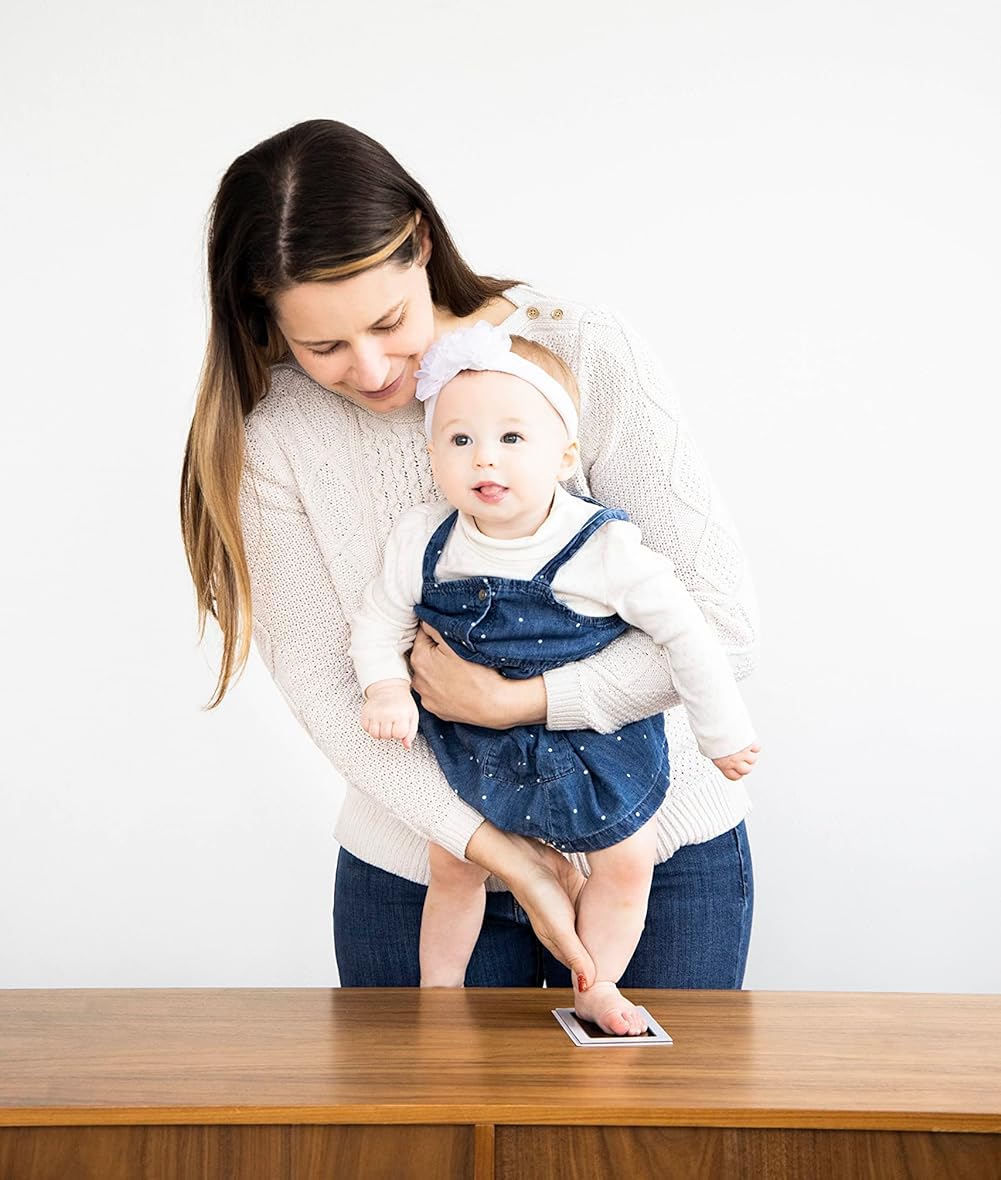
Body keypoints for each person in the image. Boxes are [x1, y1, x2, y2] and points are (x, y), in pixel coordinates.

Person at [180, 118, 759, 993]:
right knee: (432, 1135)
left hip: (657, 850)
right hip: (419, 863)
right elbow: (322, 682)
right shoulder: (279, 438)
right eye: (323, 345)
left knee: (644, 1134)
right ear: (265, 317)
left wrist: (514, 702)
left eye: (388, 321)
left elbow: (718, 626)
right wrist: (495, 852)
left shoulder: (579, 352)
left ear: (420, 243)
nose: (374, 370)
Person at [352, 323, 759, 1033]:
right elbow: (379, 621)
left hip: (591, 749)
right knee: (451, 862)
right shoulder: (424, 537)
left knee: (627, 862)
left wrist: (721, 733)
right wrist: (385, 685)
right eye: (459, 440)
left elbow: (690, 635)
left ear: (564, 454)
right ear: (431, 456)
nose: (485, 457)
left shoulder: (601, 545)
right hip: (472, 745)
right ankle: (438, 993)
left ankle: (595, 983)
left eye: (512, 439)